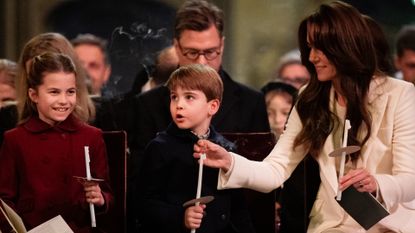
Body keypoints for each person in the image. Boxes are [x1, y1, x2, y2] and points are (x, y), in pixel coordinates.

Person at [194, 2, 415, 232]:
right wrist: (229, 161)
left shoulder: (399, 94)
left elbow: (410, 181)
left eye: (319, 48)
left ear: (344, 46)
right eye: (309, 48)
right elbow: (275, 170)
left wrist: (377, 183)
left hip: (388, 225)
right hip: (330, 226)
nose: (312, 57)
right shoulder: (310, 97)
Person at [0, 52, 113, 232]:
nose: (63, 101)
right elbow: (4, 200)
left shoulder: (91, 136)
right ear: (33, 94)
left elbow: (106, 192)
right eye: (54, 92)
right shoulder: (15, 140)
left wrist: (100, 198)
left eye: (70, 92)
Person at [137, 64, 255, 233]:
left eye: (189, 97)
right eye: (174, 97)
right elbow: (144, 205)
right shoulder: (159, 148)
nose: (179, 105)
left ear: (212, 106)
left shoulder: (225, 150)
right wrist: (180, 217)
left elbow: (238, 208)